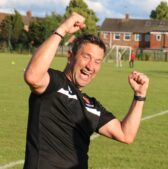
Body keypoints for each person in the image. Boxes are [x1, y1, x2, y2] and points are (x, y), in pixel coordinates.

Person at [23, 12, 149, 169]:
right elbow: (33, 76)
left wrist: (139, 95)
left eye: (97, 61)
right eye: (86, 57)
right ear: (70, 56)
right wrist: (62, 29)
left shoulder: (92, 106)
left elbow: (126, 134)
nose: (91, 66)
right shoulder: (54, 84)